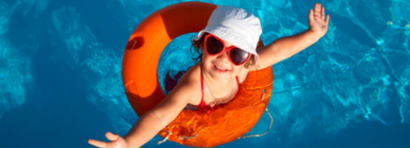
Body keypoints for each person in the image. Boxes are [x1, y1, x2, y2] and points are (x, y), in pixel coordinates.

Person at [88, 3, 329, 148]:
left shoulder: (246, 69)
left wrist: (313, 34)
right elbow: (160, 116)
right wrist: (130, 142)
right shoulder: (193, 85)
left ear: (249, 58)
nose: (224, 58)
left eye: (237, 53)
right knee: (172, 92)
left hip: (222, 107)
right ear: (201, 45)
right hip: (194, 106)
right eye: (215, 45)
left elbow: (278, 50)